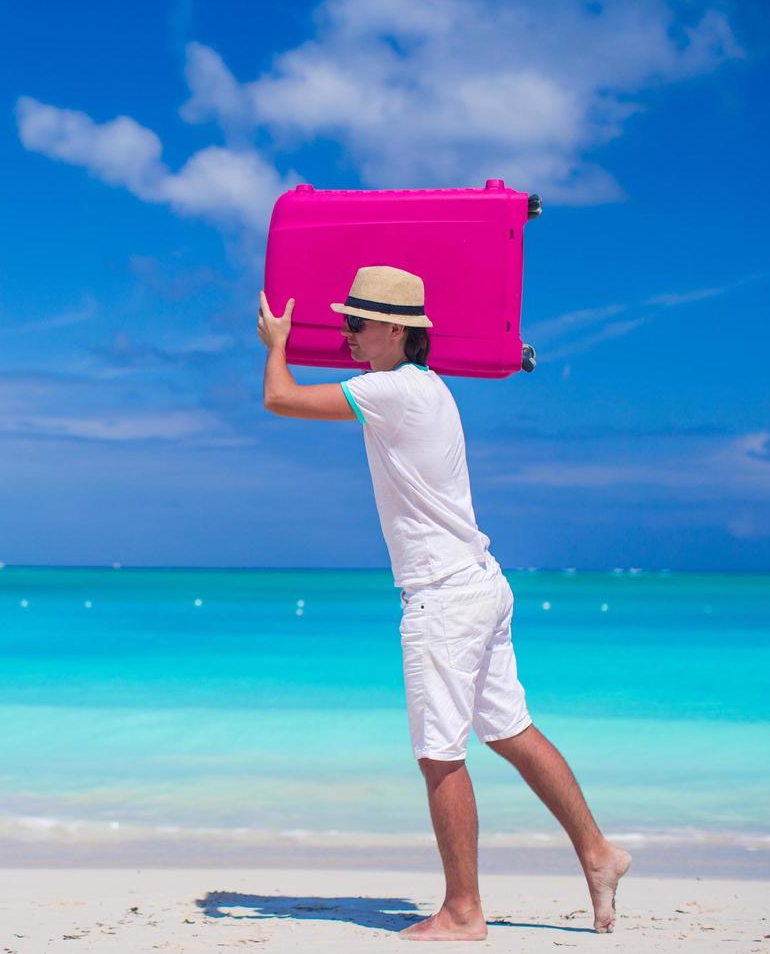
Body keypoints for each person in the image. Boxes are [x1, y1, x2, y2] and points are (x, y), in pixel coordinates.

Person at [256, 265, 632, 941]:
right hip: (480, 583)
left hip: (444, 598)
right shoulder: (428, 388)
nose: (345, 333)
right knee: (511, 731)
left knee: (440, 753)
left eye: (356, 323)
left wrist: (276, 341)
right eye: (346, 321)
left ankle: (463, 911)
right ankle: (599, 854)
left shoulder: (392, 390)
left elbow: (279, 399)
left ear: (395, 330)